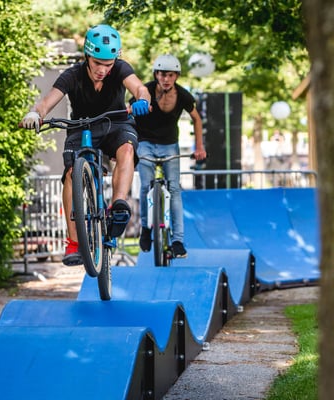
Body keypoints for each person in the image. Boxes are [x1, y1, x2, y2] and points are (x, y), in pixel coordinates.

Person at [20, 24, 151, 266]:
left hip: (115, 123)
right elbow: (47, 102)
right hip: (80, 126)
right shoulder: (72, 75)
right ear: (87, 56)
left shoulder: (121, 69)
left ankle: (119, 205)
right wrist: (34, 114)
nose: (103, 69)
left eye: (108, 64)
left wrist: (143, 99)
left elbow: (140, 88)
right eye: (98, 63)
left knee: (127, 149)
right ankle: (73, 243)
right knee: (71, 174)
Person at [131, 54, 207, 258]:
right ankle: (146, 229)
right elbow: (128, 114)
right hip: (145, 143)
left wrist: (199, 147)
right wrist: (126, 145)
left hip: (170, 146)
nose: (166, 79)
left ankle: (178, 241)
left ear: (176, 76)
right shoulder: (144, 91)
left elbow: (197, 119)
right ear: (156, 75)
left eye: (170, 75)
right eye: (162, 75)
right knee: (146, 187)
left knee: (174, 189)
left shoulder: (183, 96)